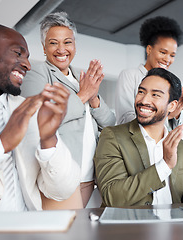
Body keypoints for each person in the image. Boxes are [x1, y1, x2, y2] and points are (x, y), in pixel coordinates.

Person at [0, 23, 80, 213]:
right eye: (18, 53)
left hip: (29, 230)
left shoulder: (30, 109)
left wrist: (49, 140)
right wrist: (2, 143)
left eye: (27, 57)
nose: (27, 65)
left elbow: (62, 190)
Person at [94, 68, 183, 207]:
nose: (144, 100)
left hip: (173, 228)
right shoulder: (113, 136)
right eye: (141, 92)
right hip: (132, 228)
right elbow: (112, 196)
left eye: (155, 95)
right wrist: (165, 165)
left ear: (172, 106)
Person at [20, 12, 116, 208]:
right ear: (44, 48)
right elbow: (38, 119)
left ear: (75, 46)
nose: (61, 49)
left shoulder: (80, 79)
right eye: (54, 43)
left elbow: (110, 124)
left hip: (89, 177)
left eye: (67, 42)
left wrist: (94, 97)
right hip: (60, 177)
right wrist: (83, 95)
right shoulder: (38, 74)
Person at [115, 16, 183, 129]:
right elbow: (125, 119)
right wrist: (168, 115)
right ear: (149, 50)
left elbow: (176, 132)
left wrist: (176, 111)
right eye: (163, 52)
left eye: (172, 55)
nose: (167, 59)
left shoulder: (170, 83)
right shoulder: (130, 75)